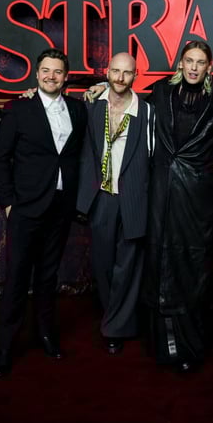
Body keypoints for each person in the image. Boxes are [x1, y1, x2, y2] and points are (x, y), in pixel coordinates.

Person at [0, 47, 88, 378]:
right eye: (46, 70)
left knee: (48, 276)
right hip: (26, 207)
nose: (51, 76)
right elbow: (0, 158)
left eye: (57, 71)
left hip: (61, 207)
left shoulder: (78, 109)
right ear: (36, 73)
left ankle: (45, 334)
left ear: (66, 77)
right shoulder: (19, 109)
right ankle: (6, 346)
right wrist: (8, 203)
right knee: (17, 277)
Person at [141, 40, 213, 373]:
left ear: (209, 67)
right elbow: (128, 107)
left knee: (192, 265)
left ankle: (192, 345)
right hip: (162, 192)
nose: (193, 67)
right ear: (180, 63)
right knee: (160, 261)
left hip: (197, 195)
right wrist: (100, 91)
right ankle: (166, 346)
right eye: (189, 61)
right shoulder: (160, 92)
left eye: (200, 62)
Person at [76, 52, 154, 356]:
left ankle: (114, 328)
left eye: (127, 72)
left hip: (133, 197)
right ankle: (116, 317)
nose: (121, 78)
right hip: (102, 197)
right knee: (103, 263)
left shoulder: (147, 112)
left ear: (136, 75)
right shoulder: (91, 106)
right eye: (116, 71)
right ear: (107, 72)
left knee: (128, 266)